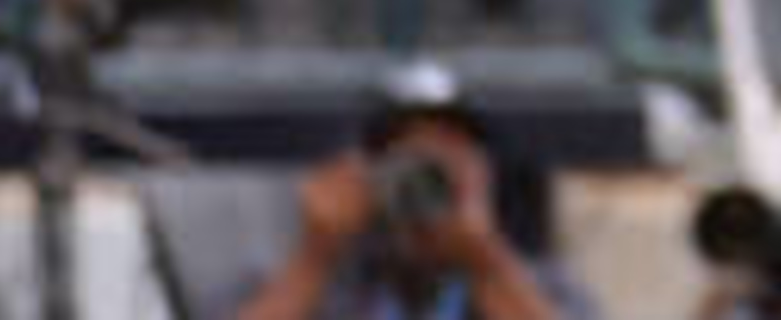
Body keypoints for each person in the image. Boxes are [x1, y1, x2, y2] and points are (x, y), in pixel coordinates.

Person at [228, 61, 588, 320]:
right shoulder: (312, 282)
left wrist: (485, 263)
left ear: (484, 172)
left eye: (448, 156)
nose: (422, 184)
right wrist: (315, 255)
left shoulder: (541, 284)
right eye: (406, 156)